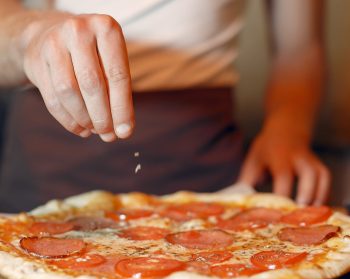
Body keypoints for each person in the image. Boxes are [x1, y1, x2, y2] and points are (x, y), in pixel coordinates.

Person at [0, 0, 330, 212]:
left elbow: (299, 51)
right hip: (48, 162)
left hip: (201, 170)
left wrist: (287, 129)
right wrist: (32, 35)